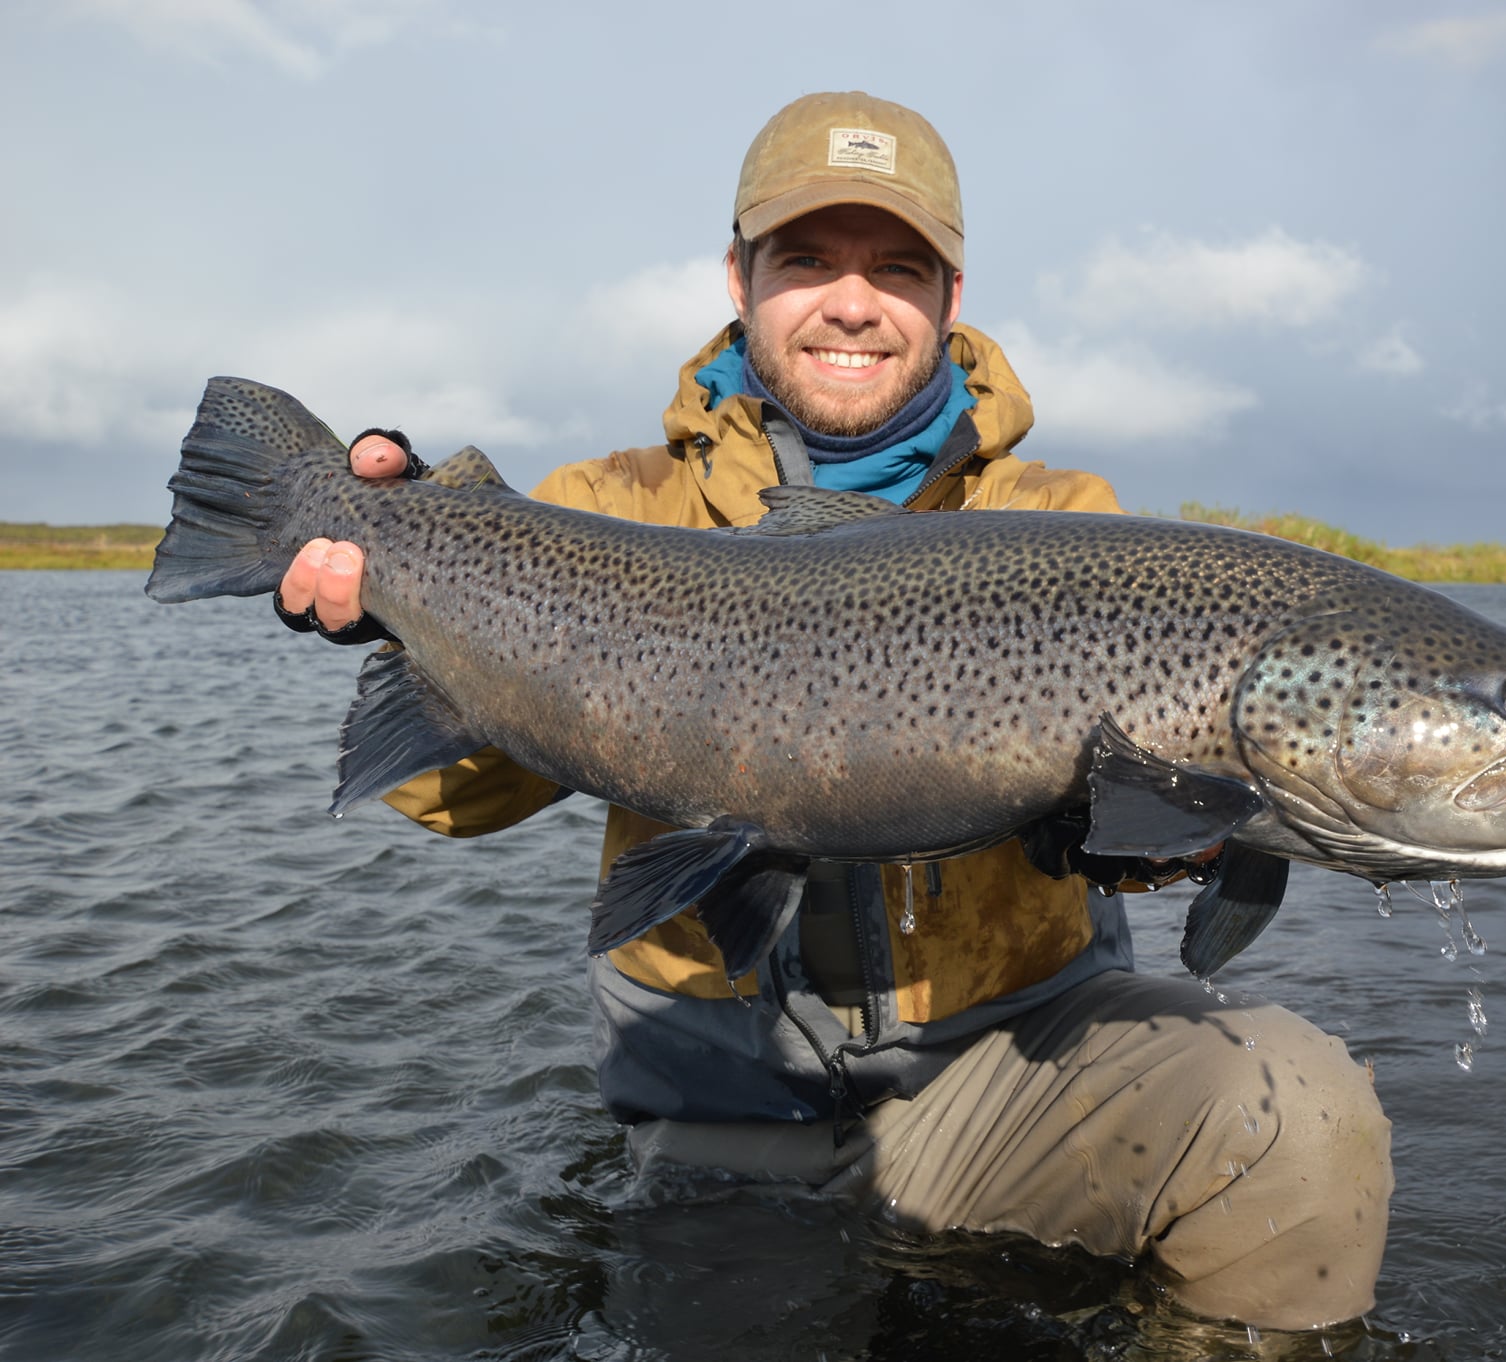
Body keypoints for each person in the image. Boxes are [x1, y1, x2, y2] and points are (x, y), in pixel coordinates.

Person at [275, 91, 1392, 1331]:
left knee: (1294, 1111)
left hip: (1012, 1075)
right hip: (721, 1115)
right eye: (806, 260)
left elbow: (1160, 826)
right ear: (739, 277)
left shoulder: (1058, 520)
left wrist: (1165, 841)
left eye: (895, 269)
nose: (851, 303)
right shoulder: (604, 508)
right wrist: (410, 598)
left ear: (951, 295)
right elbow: (450, 802)